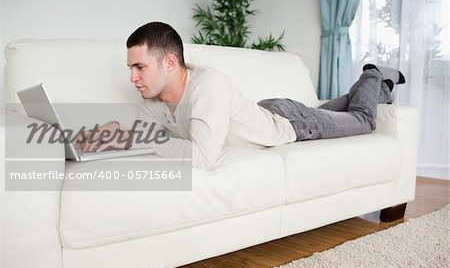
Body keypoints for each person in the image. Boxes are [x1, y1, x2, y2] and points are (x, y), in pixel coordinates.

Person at [76, 21, 405, 170]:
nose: (132, 77)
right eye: (130, 69)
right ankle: (379, 88)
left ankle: (375, 74)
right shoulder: (153, 100)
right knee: (337, 110)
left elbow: (203, 159)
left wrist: (145, 142)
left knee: (362, 120)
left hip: (294, 125)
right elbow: (134, 133)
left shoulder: (207, 85)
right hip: (267, 111)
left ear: (170, 62)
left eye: (139, 67)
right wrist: (86, 141)